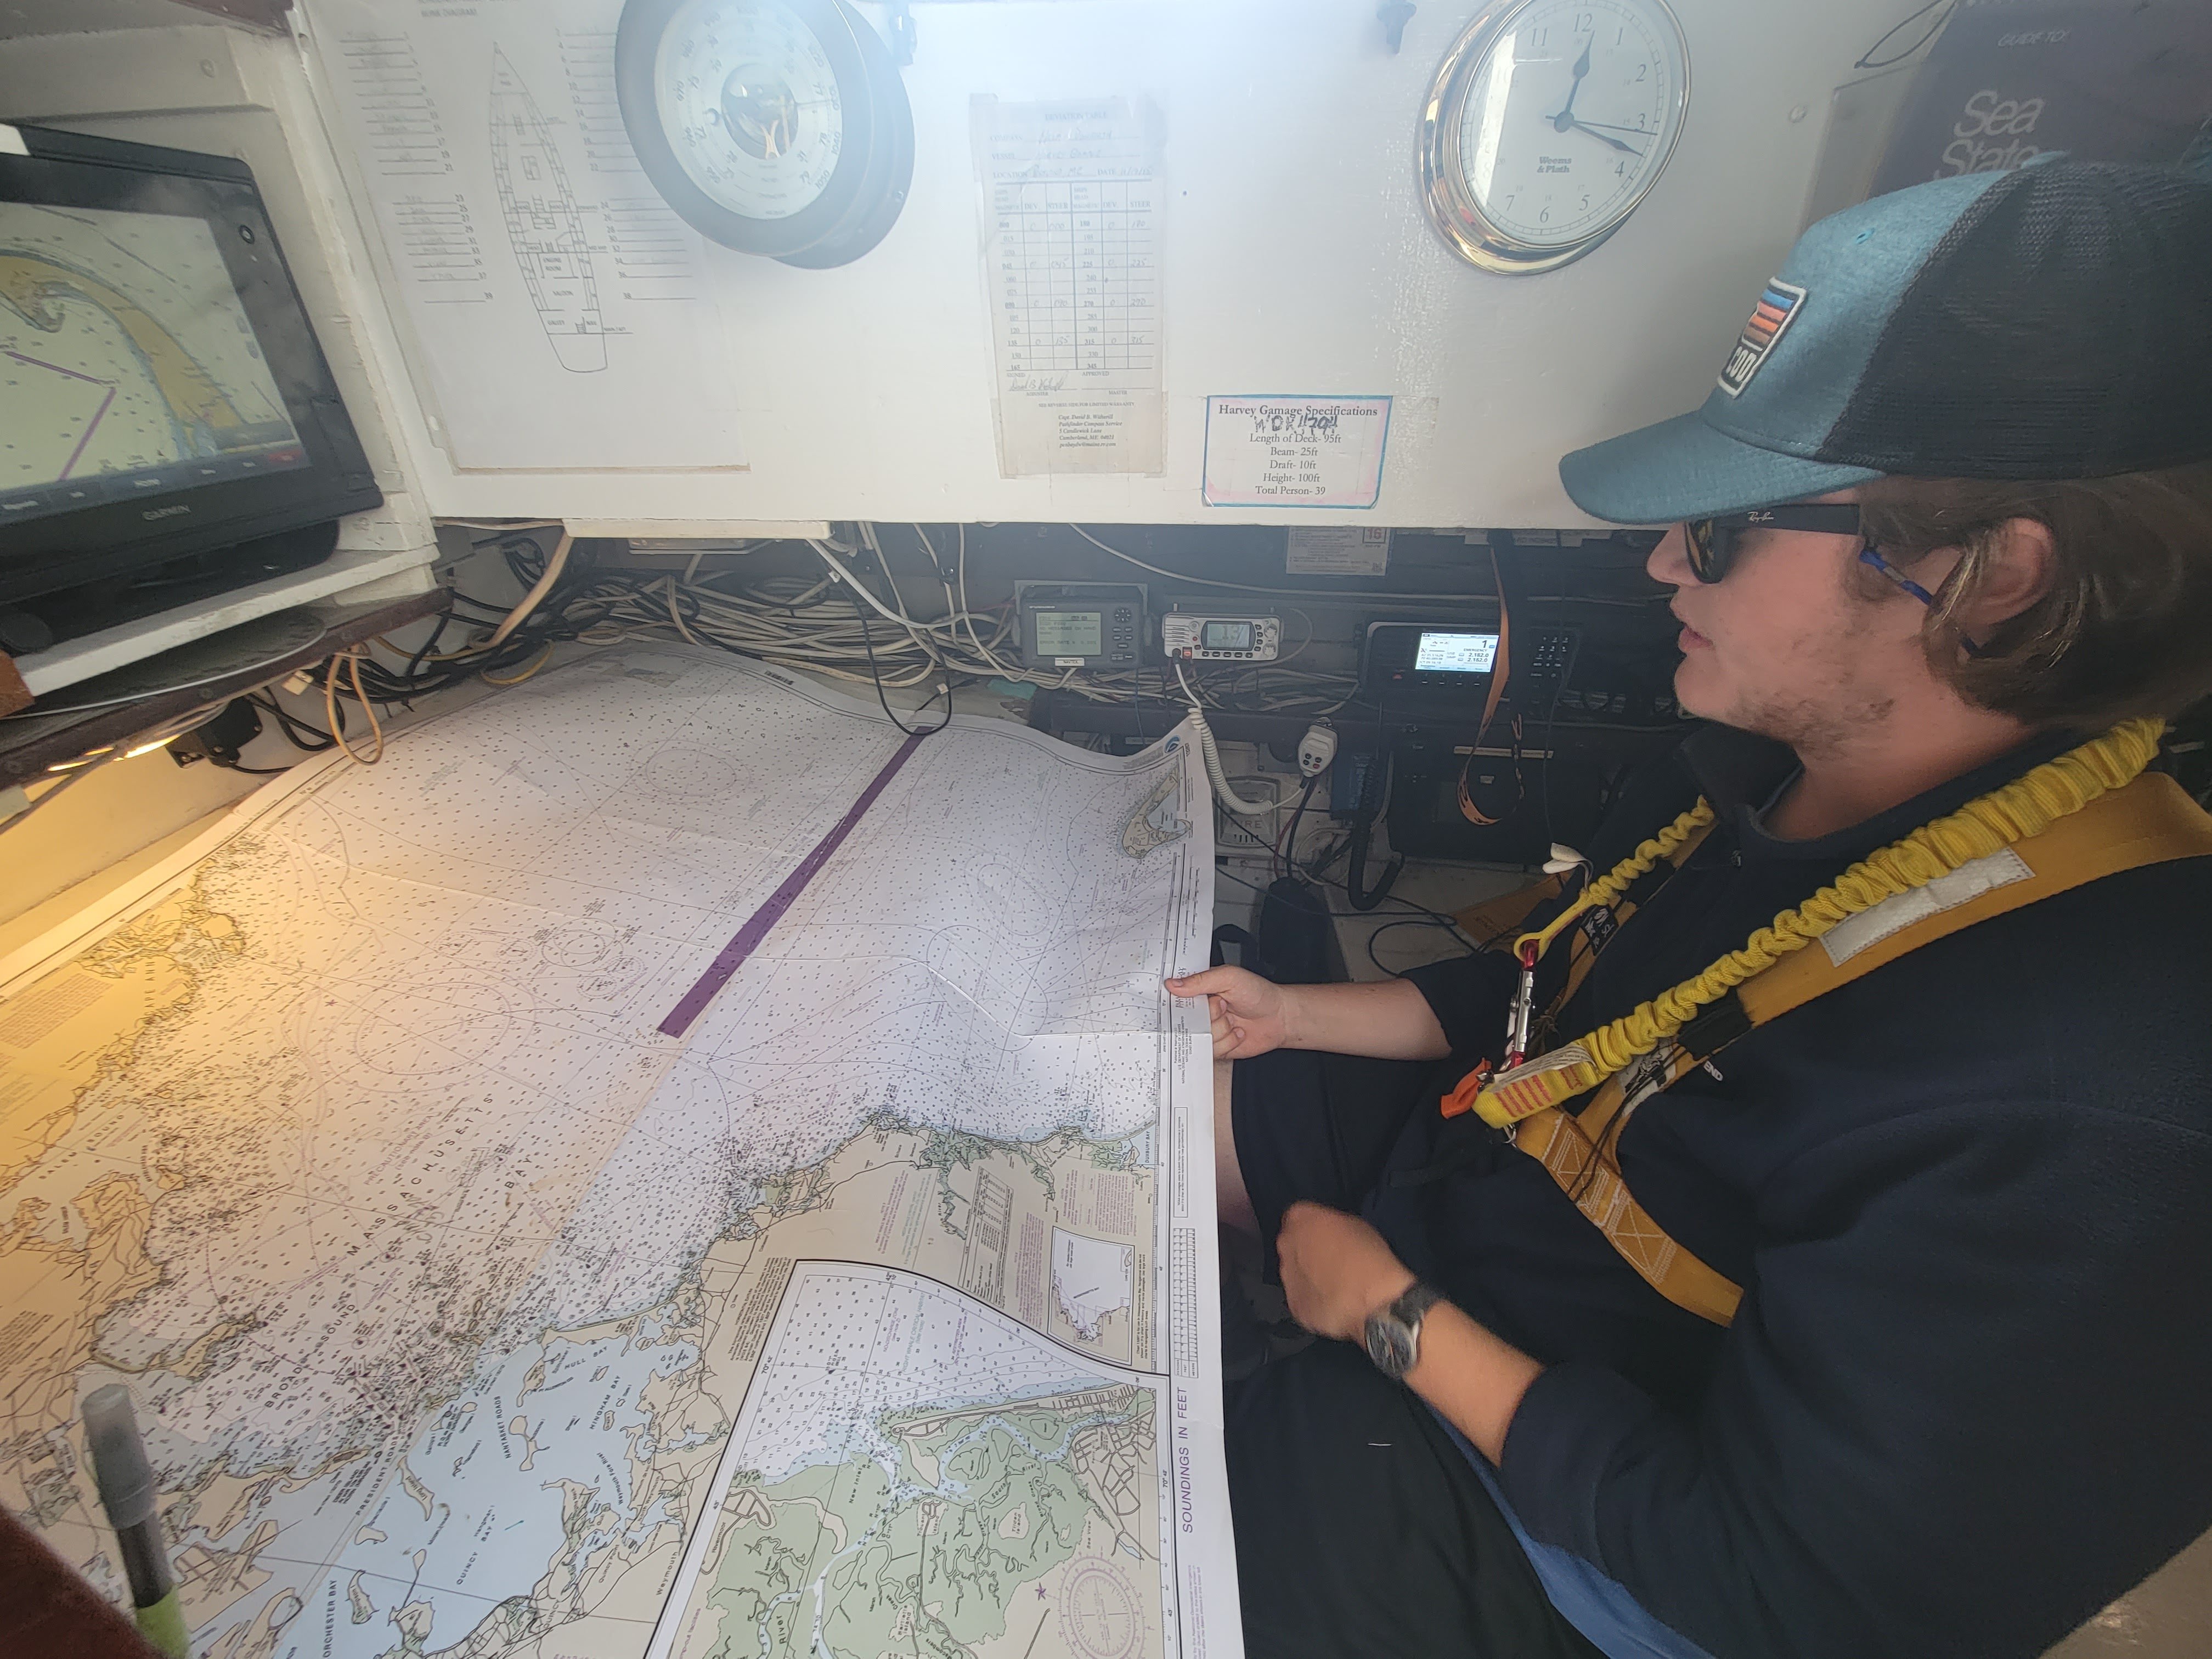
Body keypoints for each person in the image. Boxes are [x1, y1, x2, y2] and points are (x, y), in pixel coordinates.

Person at [1171, 157, 2212, 1659]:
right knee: (1129, 1099)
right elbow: (1564, 996)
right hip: (1480, 1193)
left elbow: (1797, 1596)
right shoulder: (1748, 762)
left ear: (1989, 581)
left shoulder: (2110, 1104)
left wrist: (1399, 1322)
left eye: (1725, 529)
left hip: (1573, 1540)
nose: (1665, 560)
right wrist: (1296, 1016)